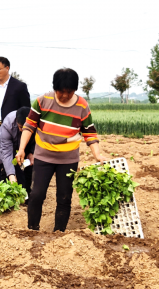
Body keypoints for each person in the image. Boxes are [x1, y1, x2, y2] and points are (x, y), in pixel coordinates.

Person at [16, 68, 106, 232]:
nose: (64, 96)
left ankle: (59, 233)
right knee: (36, 194)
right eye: (60, 92)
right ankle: (32, 229)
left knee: (64, 197)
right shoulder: (43, 101)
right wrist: (21, 149)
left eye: (69, 92)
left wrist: (97, 154)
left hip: (68, 159)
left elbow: (89, 132)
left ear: (75, 90)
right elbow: (29, 126)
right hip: (43, 155)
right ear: (54, 88)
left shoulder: (82, 106)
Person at [0, 57, 30, 183]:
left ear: (7, 68)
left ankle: (20, 188)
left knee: (15, 159)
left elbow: (26, 109)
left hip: (14, 129)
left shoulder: (19, 87)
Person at [0, 106, 35, 195]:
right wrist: (11, 176)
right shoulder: (8, 125)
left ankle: (26, 194)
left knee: (27, 168)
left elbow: (38, 140)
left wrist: (32, 152)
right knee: (7, 170)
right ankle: (6, 193)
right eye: (20, 127)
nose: (22, 130)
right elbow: (6, 153)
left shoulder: (36, 122)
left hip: (28, 143)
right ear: (16, 121)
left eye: (25, 128)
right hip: (8, 144)